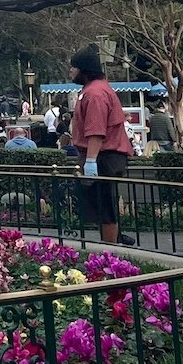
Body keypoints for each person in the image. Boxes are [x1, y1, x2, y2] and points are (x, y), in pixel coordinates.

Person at [69, 46, 135, 246]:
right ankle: (112, 243)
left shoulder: (95, 93)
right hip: (102, 155)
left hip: (103, 156)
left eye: (74, 67)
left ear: (84, 69)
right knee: (102, 205)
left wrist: (90, 161)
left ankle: (110, 252)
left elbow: (96, 131)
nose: (71, 71)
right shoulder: (93, 90)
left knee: (105, 207)